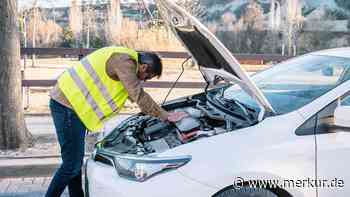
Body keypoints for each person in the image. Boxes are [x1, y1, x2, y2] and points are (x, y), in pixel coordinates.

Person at [45, 46, 187, 197]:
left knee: (74, 162)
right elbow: (138, 95)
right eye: (147, 77)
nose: (144, 80)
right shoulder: (124, 62)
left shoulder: (125, 61)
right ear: (144, 66)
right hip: (67, 105)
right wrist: (165, 115)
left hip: (73, 108)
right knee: (71, 164)